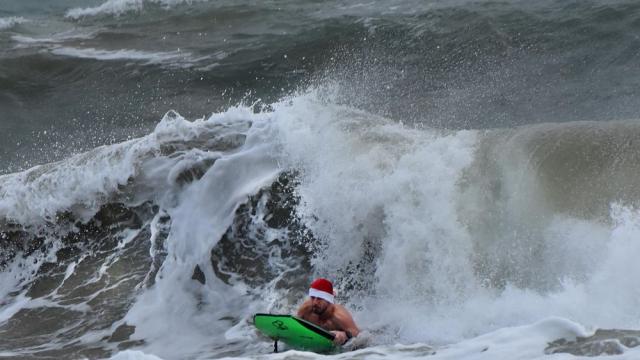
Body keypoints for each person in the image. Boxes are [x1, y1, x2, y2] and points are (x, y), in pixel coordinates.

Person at [297, 278, 360, 345]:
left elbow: (357, 333)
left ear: (328, 300)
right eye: (312, 297)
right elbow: (295, 323)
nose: (315, 302)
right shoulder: (306, 309)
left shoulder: (338, 315)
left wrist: (345, 335)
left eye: (319, 299)